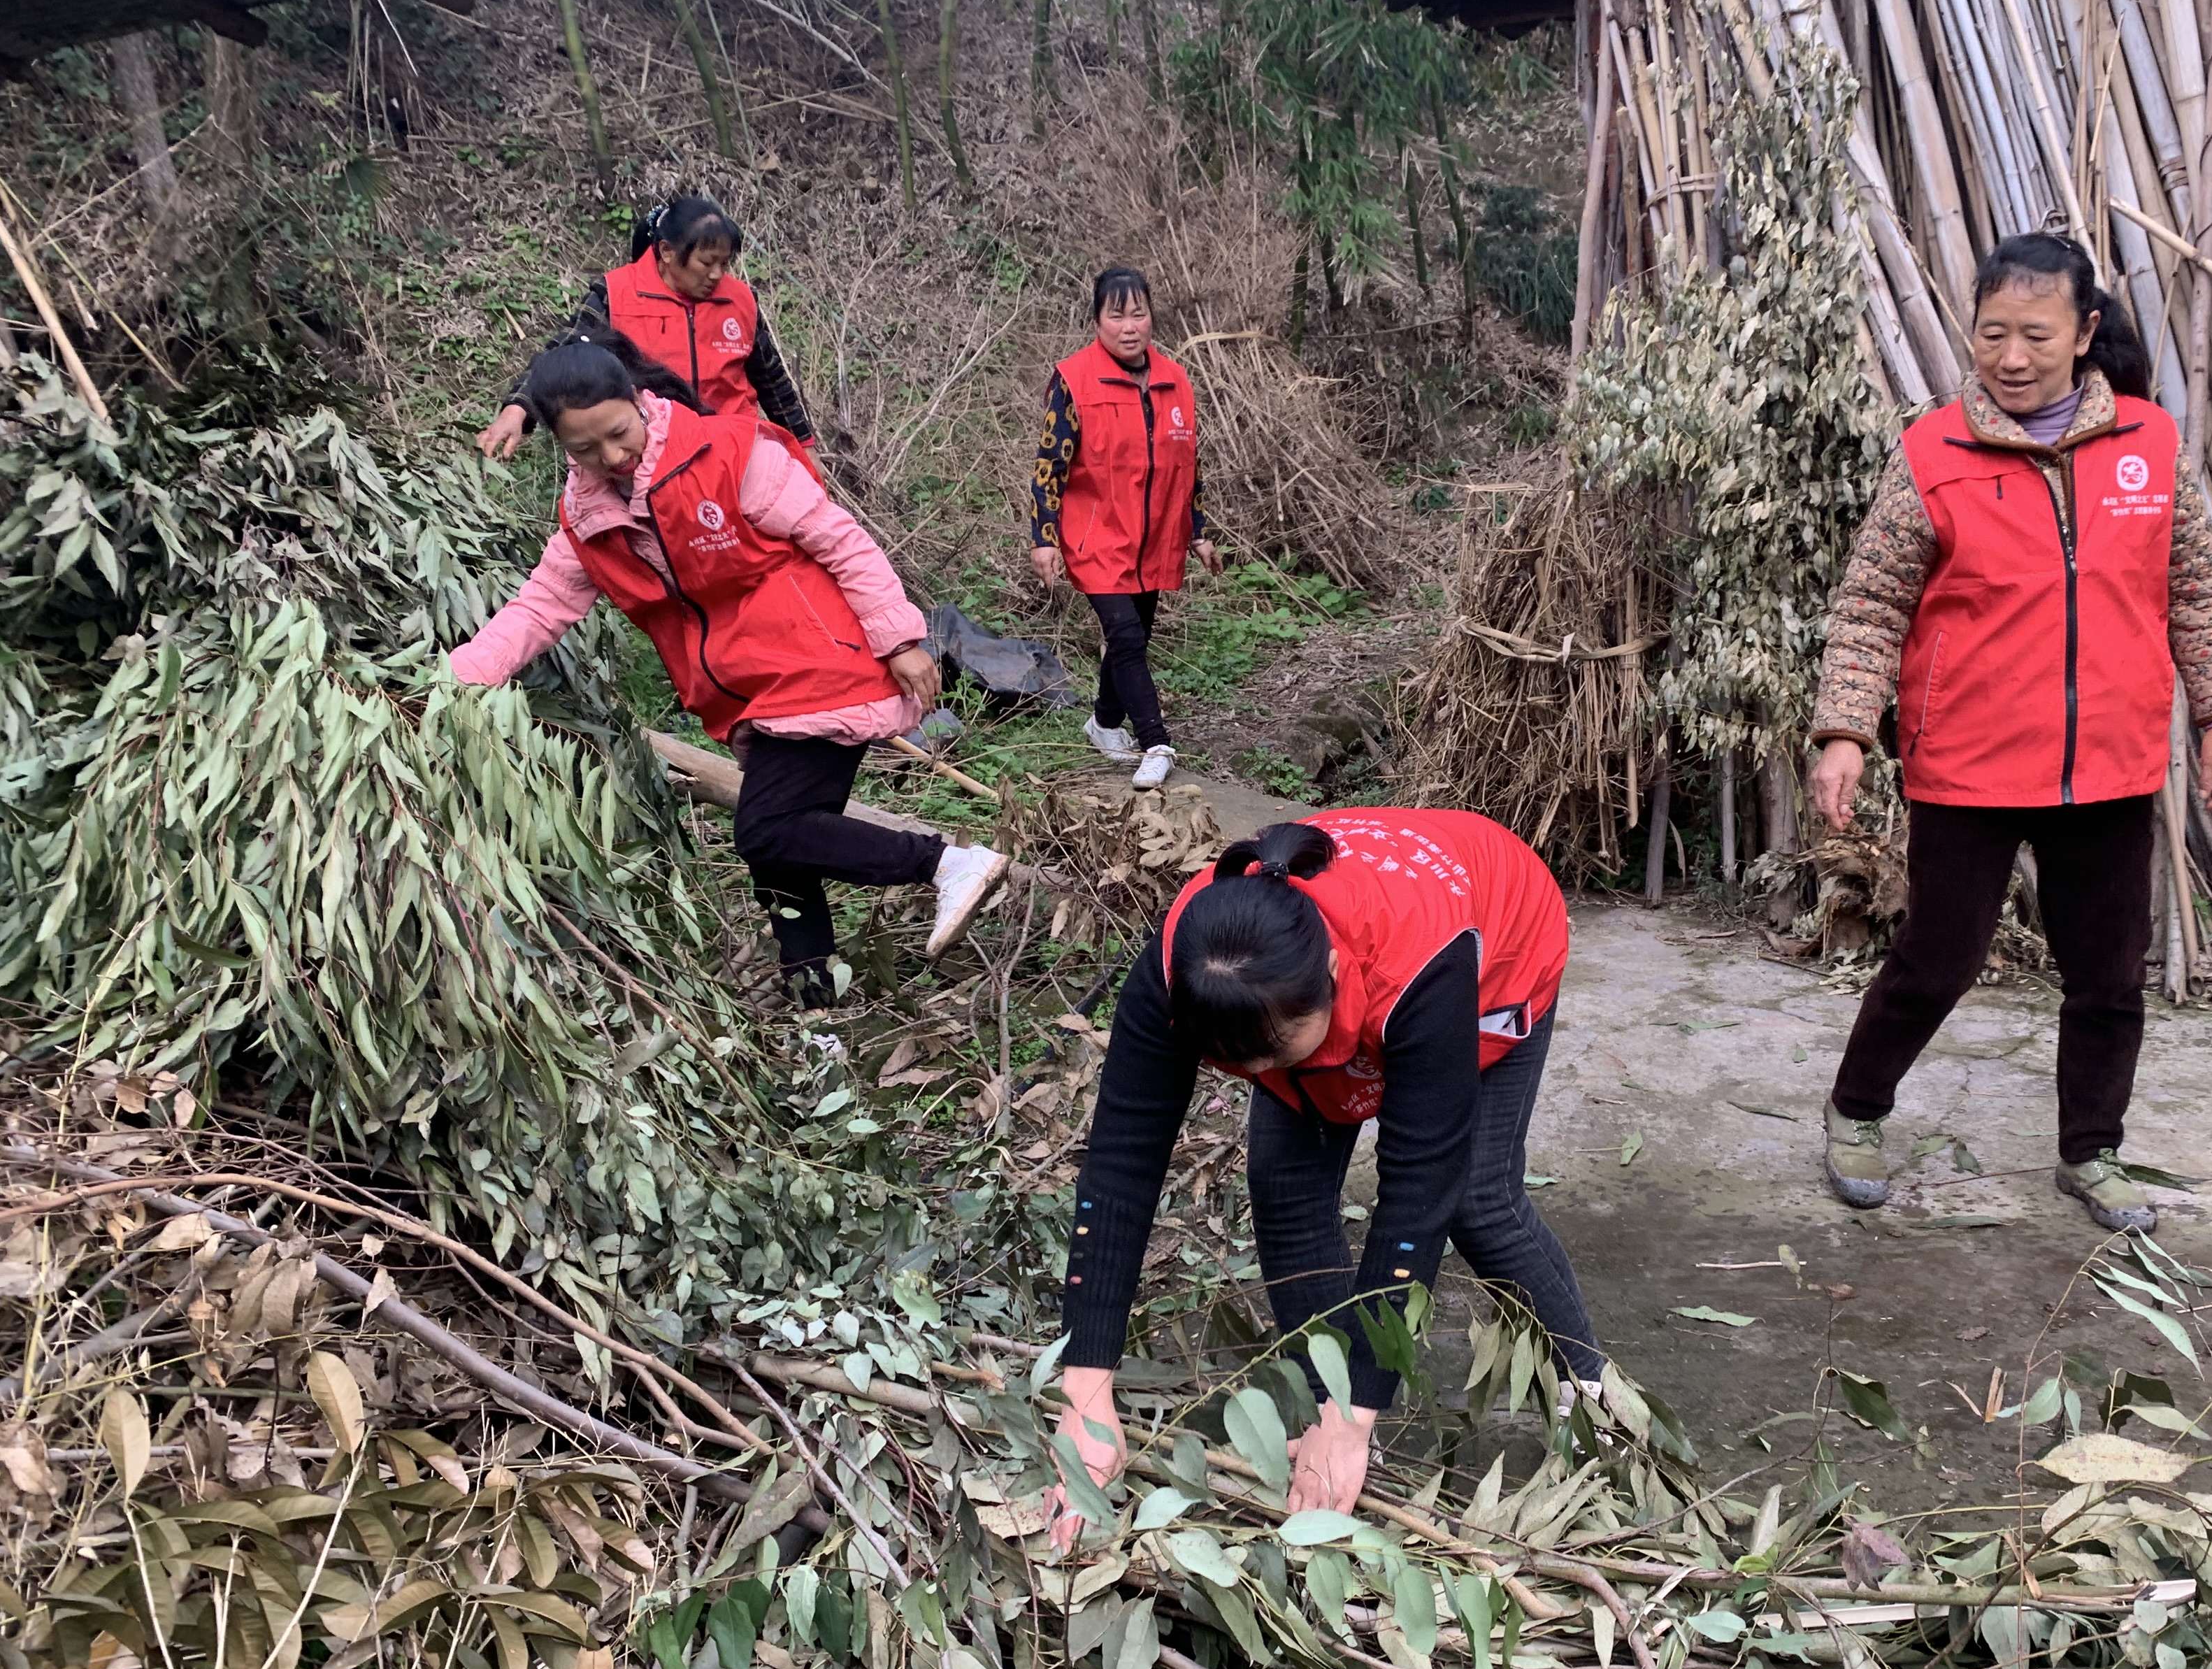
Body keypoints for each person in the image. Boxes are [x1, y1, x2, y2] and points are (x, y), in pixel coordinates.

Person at [1807, 231, 2212, 1235]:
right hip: (1967, 758)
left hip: (2111, 759)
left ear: (2086, 333)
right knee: (1940, 956)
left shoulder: (2150, 445)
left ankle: (2092, 1152)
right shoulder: (1934, 451)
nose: (2011, 357)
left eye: (2037, 336)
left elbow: (2195, 591)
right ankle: (1855, 1109)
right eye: (1993, 333)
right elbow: (1872, 603)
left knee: (2109, 970)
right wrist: (1844, 730)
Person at [1044, 810, 1605, 1540]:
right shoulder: (1185, 968)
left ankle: (1595, 1397)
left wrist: (1358, 1410)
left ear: (1332, 979)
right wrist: (1085, 1389)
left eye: (1273, 1056)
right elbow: (1121, 1164)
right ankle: (1323, 1409)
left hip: (1494, 943)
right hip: (1322, 981)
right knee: (1284, 1186)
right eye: (1238, 1067)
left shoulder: (1421, 963)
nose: (1256, 1080)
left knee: (1474, 1196)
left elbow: (1416, 1193)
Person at [450, 331, 1008, 993]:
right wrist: (456, 679)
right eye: (584, 449)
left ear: (638, 399)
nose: (611, 456)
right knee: (785, 849)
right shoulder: (588, 519)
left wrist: (900, 639)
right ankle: (815, 1010)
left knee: (767, 831)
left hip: (818, 663)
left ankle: (948, 865)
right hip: (751, 693)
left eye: (619, 434)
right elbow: (539, 608)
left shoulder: (727, 454)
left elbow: (840, 540)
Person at [1028, 266, 1220, 791]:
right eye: (1117, 315)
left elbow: (1188, 465)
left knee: (1133, 639)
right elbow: (1050, 464)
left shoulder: (1174, 380)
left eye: (1139, 313)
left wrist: (1197, 532)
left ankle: (1104, 722)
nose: (1129, 326)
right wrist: (1042, 537)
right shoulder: (1073, 380)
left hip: (1156, 537)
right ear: (1097, 321)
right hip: (1098, 537)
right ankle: (1156, 742)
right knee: (1127, 636)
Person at [475, 197, 820, 466]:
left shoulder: (740, 300)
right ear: (667, 251)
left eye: (724, 263)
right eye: (706, 262)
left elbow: (772, 381)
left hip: (736, 449)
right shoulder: (616, 293)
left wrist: (804, 446)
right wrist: (518, 409)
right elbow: (563, 352)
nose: (717, 275)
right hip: (649, 453)